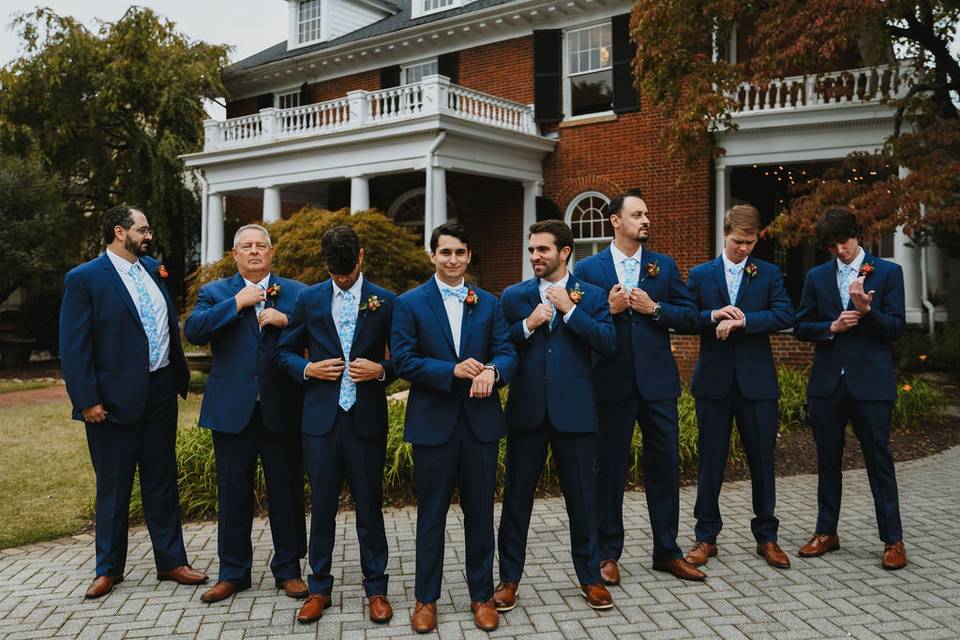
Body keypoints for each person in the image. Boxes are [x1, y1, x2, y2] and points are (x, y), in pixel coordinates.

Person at [59, 205, 207, 599]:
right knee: (114, 485)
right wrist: (87, 399)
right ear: (120, 232)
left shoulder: (153, 269)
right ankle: (108, 569)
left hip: (160, 393)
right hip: (111, 402)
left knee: (162, 481)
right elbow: (74, 347)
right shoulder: (85, 279)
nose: (149, 235)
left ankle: (172, 562)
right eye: (143, 229)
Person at [391, 222, 517, 633]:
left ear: (467, 256)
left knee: (480, 515)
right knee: (431, 517)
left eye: (460, 252)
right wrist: (453, 370)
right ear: (433, 255)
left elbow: (506, 350)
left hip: (480, 425)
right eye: (445, 252)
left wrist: (495, 372)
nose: (453, 259)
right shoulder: (409, 303)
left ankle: (481, 597)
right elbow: (404, 362)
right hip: (433, 426)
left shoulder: (489, 302)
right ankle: (426, 599)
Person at [573, 189, 704, 582]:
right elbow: (576, 321)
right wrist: (608, 311)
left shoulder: (662, 266)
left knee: (665, 468)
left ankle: (667, 550)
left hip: (658, 385)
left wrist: (656, 309)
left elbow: (692, 317)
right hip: (610, 383)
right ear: (615, 221)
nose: (645, 220)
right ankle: (606, 553)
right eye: (637, 214)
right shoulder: (589, 269)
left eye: (647, 214)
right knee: (609, 471)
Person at [274, 225, 397, 624]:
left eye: (348, 272)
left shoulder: (386, 300)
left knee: (370, 508)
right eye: (335, 273)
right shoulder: (308, 299)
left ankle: (376, 588)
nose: (342, 280)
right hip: (321, 421)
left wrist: (381, 370)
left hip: (366, 420)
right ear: (325, 264)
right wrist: (308, 368)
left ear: (361, 257)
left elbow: (405, 358)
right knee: (322, 507)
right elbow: (284, 352)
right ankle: (319, 588)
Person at [495, 219, 618, 612]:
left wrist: (570, 312)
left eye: (543, 250)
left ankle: (590, 578)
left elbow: (608, 343)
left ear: (565, 252)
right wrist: (528, 325)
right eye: (532, 250)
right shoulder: (513, 297)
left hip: (576, 414)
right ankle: (509, 580)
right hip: (527, 413)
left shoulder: (592, 295)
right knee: (517, 500)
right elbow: (500, 345)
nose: (535, 257)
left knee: (583, 501)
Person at [184, 223, 307, 603]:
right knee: (233, 493)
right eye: (246, 246)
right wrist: (238, 302)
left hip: (281, 409)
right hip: (232, 411)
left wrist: (287, 321)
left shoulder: (298, 293)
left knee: (285, 494)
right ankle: (233, 573)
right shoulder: (215, 293)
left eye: (261, 246)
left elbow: (321, 332)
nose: (254, 251)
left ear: (271, 253)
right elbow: (194, 330)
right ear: (235, 254)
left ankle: (289, 570)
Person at [795, 207, 907, 570]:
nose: (839, 250)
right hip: (827, 384)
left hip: (870, 384)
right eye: (831, 245)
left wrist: (866, 312)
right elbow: (801, 326)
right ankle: (826, 532)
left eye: (843, 241)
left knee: (879, 461)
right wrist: (832, 326)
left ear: (856, 235)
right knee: (828, 461)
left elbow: (896, 329)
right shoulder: (815, 276)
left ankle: (893, 539)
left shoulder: (889, 272)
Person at [683, 205, 794, 570]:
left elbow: (783, 314)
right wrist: (713, 315)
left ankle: (767, 537)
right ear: (724, 233)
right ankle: (705, 537)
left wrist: (744, 320)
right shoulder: (701, 274)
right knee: (710, 462)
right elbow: (684, 319)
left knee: (762, 462)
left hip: (757, 383)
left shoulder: (769, 273)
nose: (744, 248)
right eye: (737, 241)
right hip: (713, 384)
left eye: (750, 242)